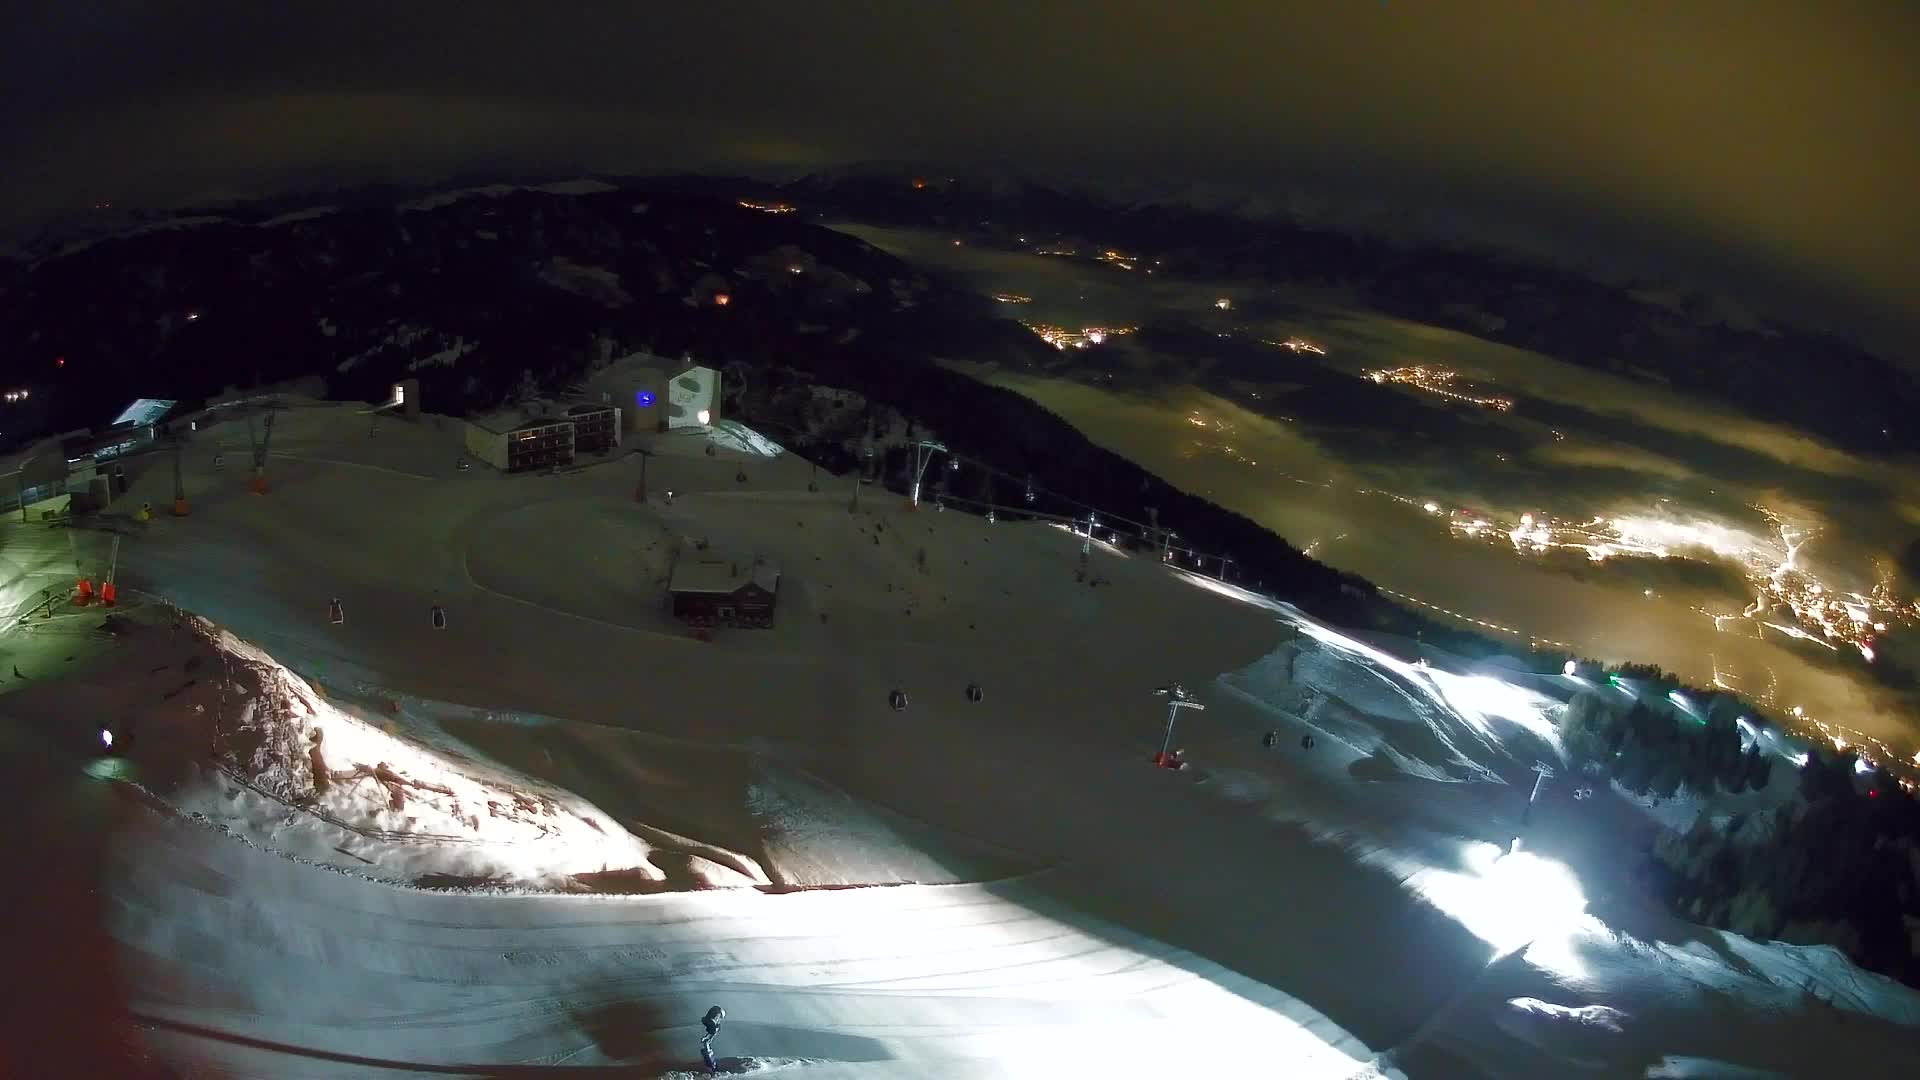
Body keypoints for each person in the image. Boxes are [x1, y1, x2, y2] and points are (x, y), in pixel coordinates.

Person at [701, 1005, 725, 1071]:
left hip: (708, 1020)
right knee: (715, 1029)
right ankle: (707, 1044)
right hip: (710, 1020)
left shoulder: (716, 1019)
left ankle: (707, 1044)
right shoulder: (715, 1021)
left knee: (715, 1029)